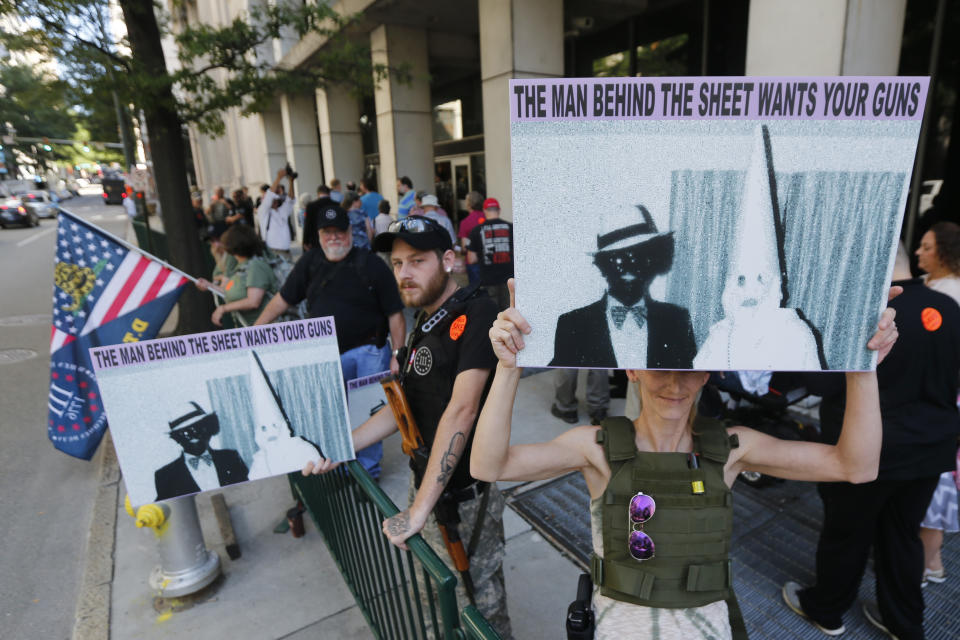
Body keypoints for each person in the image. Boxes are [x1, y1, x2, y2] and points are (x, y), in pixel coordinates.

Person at [472, 280, 898, 640]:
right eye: (660, 366)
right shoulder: (596, 447)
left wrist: (862, 367)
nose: (675, 384)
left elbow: (856, 466)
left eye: (690, 366)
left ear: (709, 370)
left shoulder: (732, 448)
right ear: (633, 370)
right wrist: (509, 368)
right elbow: (489, 466)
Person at [303, 216, 513, 638]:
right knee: (433, 598)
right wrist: (342, 444)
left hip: (465, 499)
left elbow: (463, 410)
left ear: (449, 260)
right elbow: (405, 409)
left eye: (417, 260)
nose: (405, 274)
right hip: (429, 489)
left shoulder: (479, 312)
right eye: (398, 263)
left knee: (480, 610)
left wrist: (418, 510)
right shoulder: (427, 320)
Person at [782, 246, 960, 640]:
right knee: (903, 536)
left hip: (863, 450)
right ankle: (905, 624)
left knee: (847, 534)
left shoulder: (861, 311)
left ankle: (826, 610)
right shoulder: (947, 306)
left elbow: (819, 383)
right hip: (930, 448)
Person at [255, 205, 405, 479]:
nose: (334, 238)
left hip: (369, 353)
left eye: (339, 231)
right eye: (327, 232)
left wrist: (397, 353)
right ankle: (341, 466)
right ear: (319, 235)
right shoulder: (310, 263)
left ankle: (368, 473)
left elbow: (395, 313)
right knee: (335, 415)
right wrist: (254, 333)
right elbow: (282, 300)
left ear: (350, 231)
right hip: (326, 356)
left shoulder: (371, 263)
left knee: (368, 414)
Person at [550, 204, 695, 368]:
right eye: (619, 257)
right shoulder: (573, 325)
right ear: (603, 265)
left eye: (639, 255)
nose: (630, 265)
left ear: (651, 261)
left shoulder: (678, 320)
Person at [914, 221, 960, 587]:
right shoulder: (932, 287)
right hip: (935, 400)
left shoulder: (949, 297)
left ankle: (926, 563)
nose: (918, 252)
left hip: (939, 401)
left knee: (934, 482)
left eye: (926, 247)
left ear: (944, 252)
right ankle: (930, 559)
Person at [155, 401, 249, 501]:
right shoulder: (166, 476)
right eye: (185, 432)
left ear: (207, 428)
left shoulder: (230, 458)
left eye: (197, 427)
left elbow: (249, 495)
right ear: (176, 438)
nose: (193, 434)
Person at [197, 224, 277, 328]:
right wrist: (209, 286)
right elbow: (229, 291)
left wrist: (224, 308)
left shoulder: (256, 266)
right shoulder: (241, 266)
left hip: (269, 329)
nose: (217, 245)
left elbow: (253, 301)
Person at [466, 197, 513, 310]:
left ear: (485, 211)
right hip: (509, 280)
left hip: (488, 279)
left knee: (491, 313)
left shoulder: (476, 230)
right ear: (499, 210)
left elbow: (471, 259)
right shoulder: (511, 228)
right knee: (508, 312)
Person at [257, 169, 295, 259]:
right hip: (273, 253)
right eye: (272, 200)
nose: (274, 201)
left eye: (276, 199)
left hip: (286, 253)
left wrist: (291, 182)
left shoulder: (281, 210)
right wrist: (278, 178)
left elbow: (290, 200)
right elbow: (269, 195)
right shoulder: (263, 211)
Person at [458, 191, 486, 285]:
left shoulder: (465, 222)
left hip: (473, 263)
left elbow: (464, 248)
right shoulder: (488, 218)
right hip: (489, 260)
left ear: (469, 204)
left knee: (476, 292)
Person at [302, 185, 337, 251]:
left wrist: (305, 241)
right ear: (329, 193)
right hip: (334, 240)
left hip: (316, 241)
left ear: (318, 194)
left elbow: (307, 225)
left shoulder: (311, 206)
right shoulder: (337, 205)